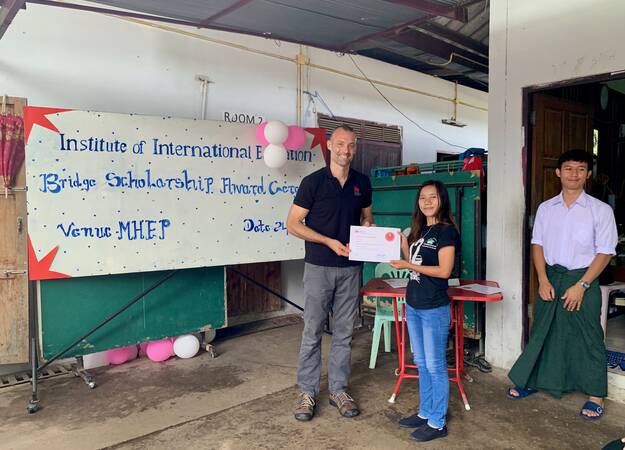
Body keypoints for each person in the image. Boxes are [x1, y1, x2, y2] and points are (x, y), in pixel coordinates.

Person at [507, 149, 618, 421]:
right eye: (568, 168)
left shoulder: (600, 210)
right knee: (543, 330)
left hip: (584, 278)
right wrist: (542, 280)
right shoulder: (547, 208)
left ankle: (595, 394)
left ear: (588, 174)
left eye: (580, 169)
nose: (574, 174)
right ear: (558, 172)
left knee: (589, 335)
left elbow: (605, 252)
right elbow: (538, 245)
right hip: (551, 278)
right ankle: (533, 380)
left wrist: (582, 285)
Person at [286, 125, 373, 421]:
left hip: (351, 268)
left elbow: (366, 217)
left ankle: (338, 389)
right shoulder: (313, 182)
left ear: (355, 148)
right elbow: (293, 224)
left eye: (350, 146)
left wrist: (369, 231)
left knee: (344, 333)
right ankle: (307, 392)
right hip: (319, 267)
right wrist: (326, 241)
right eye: (340, 144)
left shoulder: (363, 182)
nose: (345, 150)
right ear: (331, 147)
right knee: (312, 331)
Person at [389, 180, 460, 442]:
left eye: (433, 197)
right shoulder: (420, 230)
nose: (427, 202)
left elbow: (444, 271)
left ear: (442, 200)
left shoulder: (446, 232)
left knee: (435, 364)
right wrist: (402, 243)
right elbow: (414, 261)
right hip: (414, 304)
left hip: (433, 307)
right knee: (421, 362)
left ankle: (437, 421)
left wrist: (408, 263)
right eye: (422, 198)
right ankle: (425, 412)